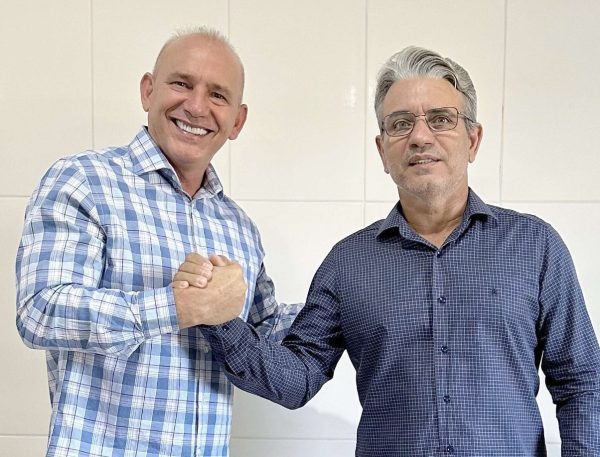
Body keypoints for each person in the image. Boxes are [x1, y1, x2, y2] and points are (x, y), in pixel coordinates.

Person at [193, 46, 600, 456]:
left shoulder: (534, 246)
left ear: (473, 140)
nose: (420, 137)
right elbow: (297, 378)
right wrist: (222, 321)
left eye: (441, 119)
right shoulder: (347, 264)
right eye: (401, 124)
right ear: (383, 150)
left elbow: (583, 382)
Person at [16, 27, 299, 457]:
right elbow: (41, 311)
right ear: (148, 91)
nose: (197, 106)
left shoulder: (239, 227)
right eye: (181, 83)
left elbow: (263, 334)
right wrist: (179, 306)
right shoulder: (84, 181)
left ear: (237, 121)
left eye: (217, 95)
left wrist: (349, 302)